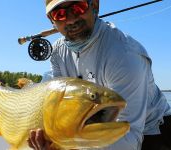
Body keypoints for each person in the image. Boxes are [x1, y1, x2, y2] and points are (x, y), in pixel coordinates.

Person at [27, 0, 171, 150]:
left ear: (94, 6)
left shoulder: (123, 54)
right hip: (98, 127)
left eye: (77, 8)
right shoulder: (58, 52)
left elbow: (130, 139)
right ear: (52, 21)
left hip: (152, 131)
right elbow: (56, 105)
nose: (70, 19)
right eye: (59, 14)